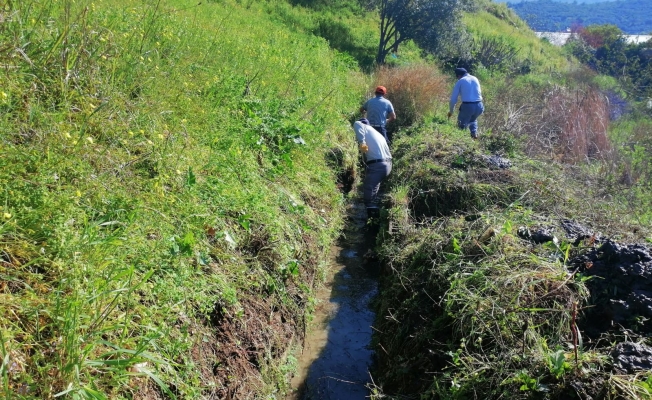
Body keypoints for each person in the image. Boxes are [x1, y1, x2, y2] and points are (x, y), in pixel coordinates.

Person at [352, 118, 392, 220]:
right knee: (374, 187)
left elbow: (357, 125)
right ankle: (374, 211)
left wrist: (362, 142)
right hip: (387, 165)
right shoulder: (378, 134)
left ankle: (372, 221)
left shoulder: (360, 124)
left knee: (368, 187)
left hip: (378, 164)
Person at [448, 67, 484, 139]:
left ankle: (460, 141)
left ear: (458, 75)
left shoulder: (460, 81)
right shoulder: (475, 78)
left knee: (461, 125)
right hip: (479, 105)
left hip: (468, 106)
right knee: (472, 120)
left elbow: (453, 99)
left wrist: (451, 111)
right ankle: (474, 135)